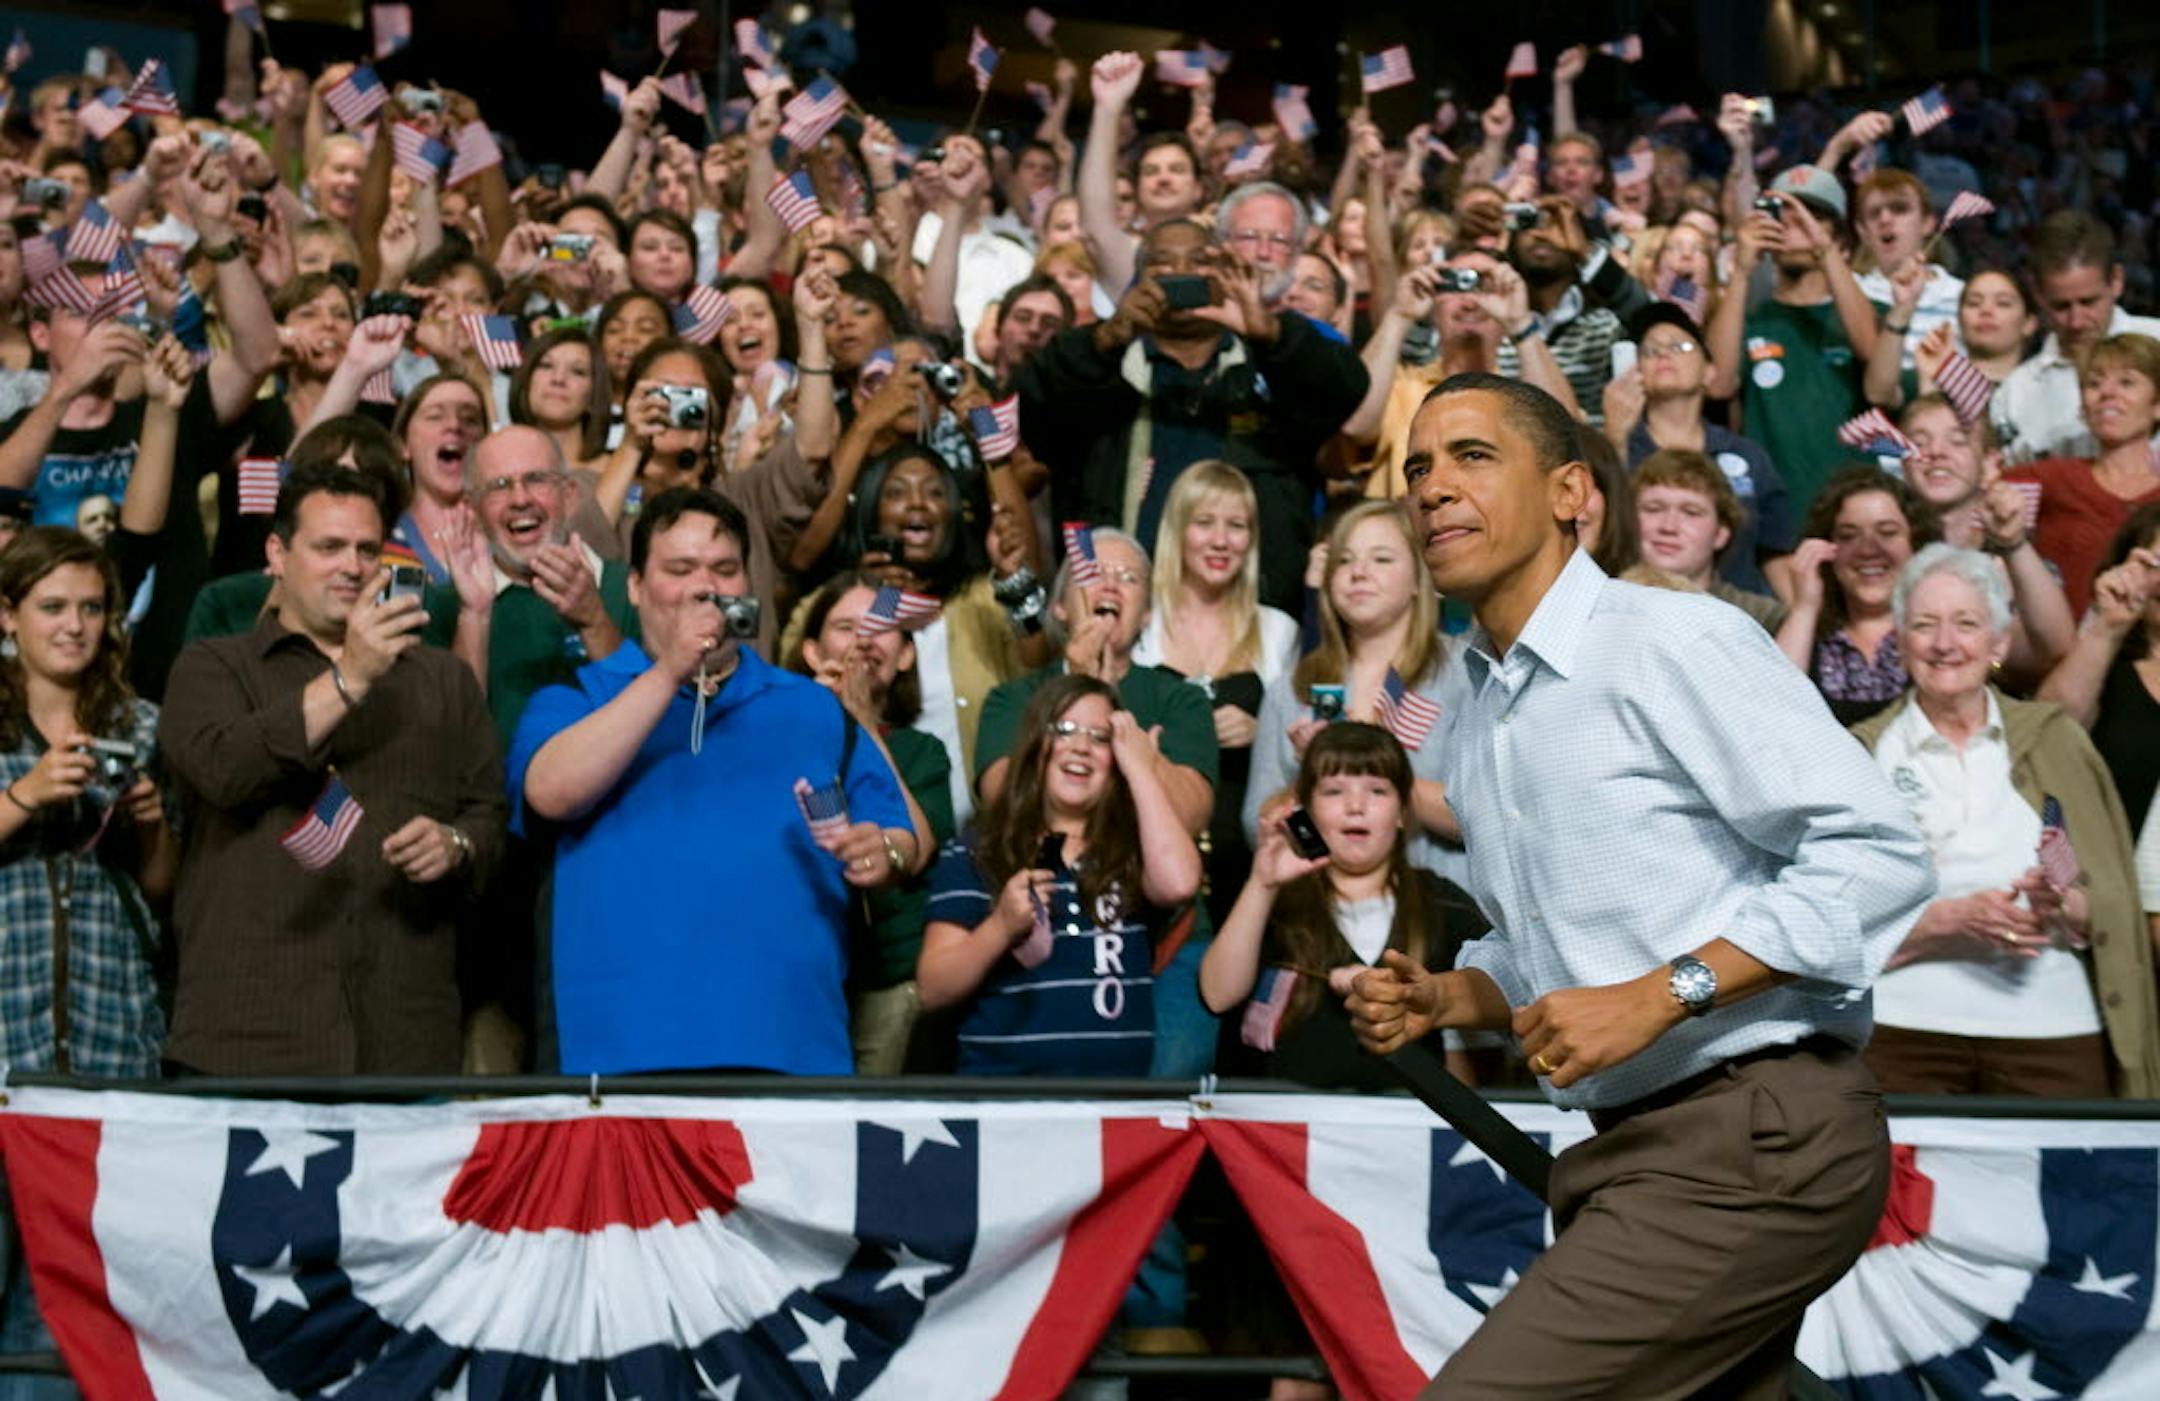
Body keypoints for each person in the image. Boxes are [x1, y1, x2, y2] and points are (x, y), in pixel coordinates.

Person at [1344, 372, 1933, 1396]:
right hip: (1641, 1151)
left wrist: (1667, 994)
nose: (1433, 487)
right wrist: (1452, 997)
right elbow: (1558, 960)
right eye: (1419, 468)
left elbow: (1879, 852)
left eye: (1473, 457)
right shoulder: (1478, 719)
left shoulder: (1673, 640)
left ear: (1574, 492)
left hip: (1753, 1136)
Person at [508, 487, 917, 1075]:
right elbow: (552, 792)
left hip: (791, 1050)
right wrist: (674, 666)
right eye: (680, 570)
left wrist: (885, 852)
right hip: (619, 1055)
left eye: (724, 570)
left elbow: (900, 835)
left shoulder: (815, 708)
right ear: (634, 587)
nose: (706, 587)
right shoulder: (575, 698)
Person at [157, 460, 506, 1075]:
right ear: (277, 553)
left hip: (403, 1041)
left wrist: (456, 844)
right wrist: (352, 675)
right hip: (248, 1039)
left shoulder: (443, 681)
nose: (352, 566)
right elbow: (222, 771)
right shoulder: (212, 666)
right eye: (329, 547)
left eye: (367, 549)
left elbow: (489, 815)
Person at [1849, 545, 2159, 1097]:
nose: (1945, 644)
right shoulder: (1861, 755)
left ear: (1999, 643)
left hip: (2051, 1026)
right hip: (1902, 1030)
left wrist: (2062, 903)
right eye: (1924, 624)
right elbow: (1836, 923)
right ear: (1900, 644)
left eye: (1966, 623)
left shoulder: (2056, 739)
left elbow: (2109, 907)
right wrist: (1945, 921)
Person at [1014, 218, 1367, 612]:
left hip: (1253, 614)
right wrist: (1105, 341)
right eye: (1163, 263)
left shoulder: (1273, 365)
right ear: (1138, 281)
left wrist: (1270, 332)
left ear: (1225, 274)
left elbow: (1347, 390)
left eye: (1199, 261)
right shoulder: (1099, 369)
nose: (1180, 272)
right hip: (1120, 611)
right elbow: (1031, 404)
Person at [918, 673, 1201, 1074]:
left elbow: (1180, 882)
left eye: (1101, 738)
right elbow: (933, 989)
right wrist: (1000, 927)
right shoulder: (977, 850)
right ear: (1036, 745)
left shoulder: (1134, 849)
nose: (1081, 747)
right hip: (1006, 1101)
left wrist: (1142, 767)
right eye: (1064, 730)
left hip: (1116, 1107)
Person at [1206, 722, 1487, 1089]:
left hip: (1405, 1122)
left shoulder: (1438, 899)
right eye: (1334, 791)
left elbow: (1497, 996)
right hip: (1291, 1125)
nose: (1356, 807)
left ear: (1403, 811)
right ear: (1304, 809)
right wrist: (1262, 883)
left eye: (1377, 791)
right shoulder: (1275, 895)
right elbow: (1217, 994)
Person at [0, 527, 175, 1079]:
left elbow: (162, 887)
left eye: (91, 608)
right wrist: (27, 793)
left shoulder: (142, 725)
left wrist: (150, 826)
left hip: (111, 1023)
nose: (74, 627)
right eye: (52, 607)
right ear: (8, 616)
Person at [1246, 500, 1463, 882]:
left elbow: (1485, 820)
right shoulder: (1294, 688)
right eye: (1344, 561)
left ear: (1418, 579)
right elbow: (1262, 832)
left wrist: (1371, 769)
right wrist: (1311, 778)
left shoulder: (1463, 673)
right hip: (1326, 920)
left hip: (1440, 917)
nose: (1359, 572)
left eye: (1381, 559)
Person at [789, 573, 952, 1075]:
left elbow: (919, 846)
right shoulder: (778, 729)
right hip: (797, 971)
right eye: (845, 626)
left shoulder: (920, 751)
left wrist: (858, 717)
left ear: (905, 655)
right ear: (814, 653)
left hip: (886, 976)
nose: (863, 639)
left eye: (880, 627)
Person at [1134, 461, 1299, 930]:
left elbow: (1302, 753)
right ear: (1177, 530)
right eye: (1204, 523)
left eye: (1237, 526)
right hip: (1153, 855)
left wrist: (1262, 729)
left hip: (1247, 863)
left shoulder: (1277, 631)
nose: (1221, 541)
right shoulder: (1143, 625)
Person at [1706, 165, 1883, 511]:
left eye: (1811, 215)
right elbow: (1718, 384)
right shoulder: (1750, 320)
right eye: (1780, 214)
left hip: (1853, 511)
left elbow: (1873, 352)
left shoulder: (1871, 310)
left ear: (1841, 238)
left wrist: (1825, 251)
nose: (1792, 223)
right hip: (1773, 515)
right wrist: (1742, 271)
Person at [1603, 302, 1793, 598]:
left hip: (1735, 617)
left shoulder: (1746, 455)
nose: (1664, 354)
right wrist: (1615, 438)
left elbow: (1777, 553)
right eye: (1650, 351)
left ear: (1710, 371)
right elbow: (1601, 532)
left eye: (1680, 346)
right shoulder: (1619, 443)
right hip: (1636, 610)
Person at [1897, 394, 2076, 679]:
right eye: (1919, 442)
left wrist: (2014, 543)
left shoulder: (2009, 559)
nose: (1936, 452)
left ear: (1990, 462)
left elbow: (2054, 650)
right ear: (1902, 463)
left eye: (1958, 441)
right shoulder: (1889, 550)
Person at [2001, 332, 2160, 618]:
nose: (2107, 393)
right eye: (2094, 383)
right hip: (2064, 653)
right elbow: (1979, 481)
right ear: (2083, 408)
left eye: (2127, 382)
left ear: (2157, 405)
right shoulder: (2050, 479)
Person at [1776, 466, 1942, 725]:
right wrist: (1805, 607)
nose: (1867, 549)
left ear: (1916, 543)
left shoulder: (1942, 629)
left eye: (1887, 532)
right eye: (1848, 535)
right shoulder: (1804, 630)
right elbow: (1771, 712)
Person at [1991, 211, 2160, 465]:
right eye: (2061, 306)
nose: (2077, 320)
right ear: (2037, 294)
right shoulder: (2016, 393)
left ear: (2116, 281)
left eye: (2089, 302)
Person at [2038, 505, 2160, 827]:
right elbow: (2049, 736)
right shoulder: (2106, 664)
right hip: (2116, 868)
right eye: (2156, 565)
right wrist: (2109, 626)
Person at [1632, 448, 1787, 630]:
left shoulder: (1762, 617)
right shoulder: (1600, 604)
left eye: (1691, 513)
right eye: (1653, 509)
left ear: (1721, 534)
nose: (1669, 526)